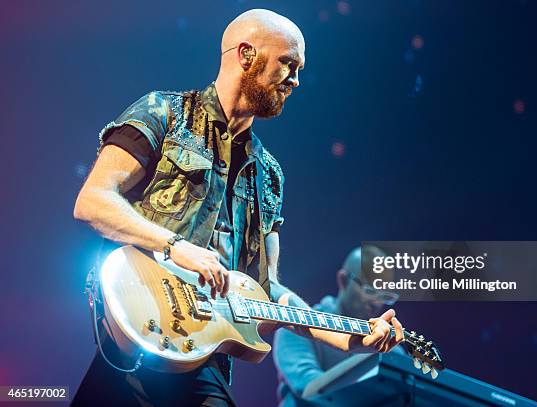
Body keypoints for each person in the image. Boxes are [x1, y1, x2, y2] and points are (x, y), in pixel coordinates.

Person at [72, 9, 406, 407]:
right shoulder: (163, 113)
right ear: (247, 55)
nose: (296, 80)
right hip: (137, 328)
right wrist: (176, 246)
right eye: (288, 64)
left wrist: (350, 337)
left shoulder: (269, 175)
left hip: (204, 358)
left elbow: (266, 292)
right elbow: (93, 200)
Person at [273, 246, 404, 406]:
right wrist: (366, 356)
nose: (377, 302)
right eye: (369, 290)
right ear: (343, 280)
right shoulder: (298, 325)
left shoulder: (389, 348)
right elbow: (308, 387)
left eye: (385, 295)